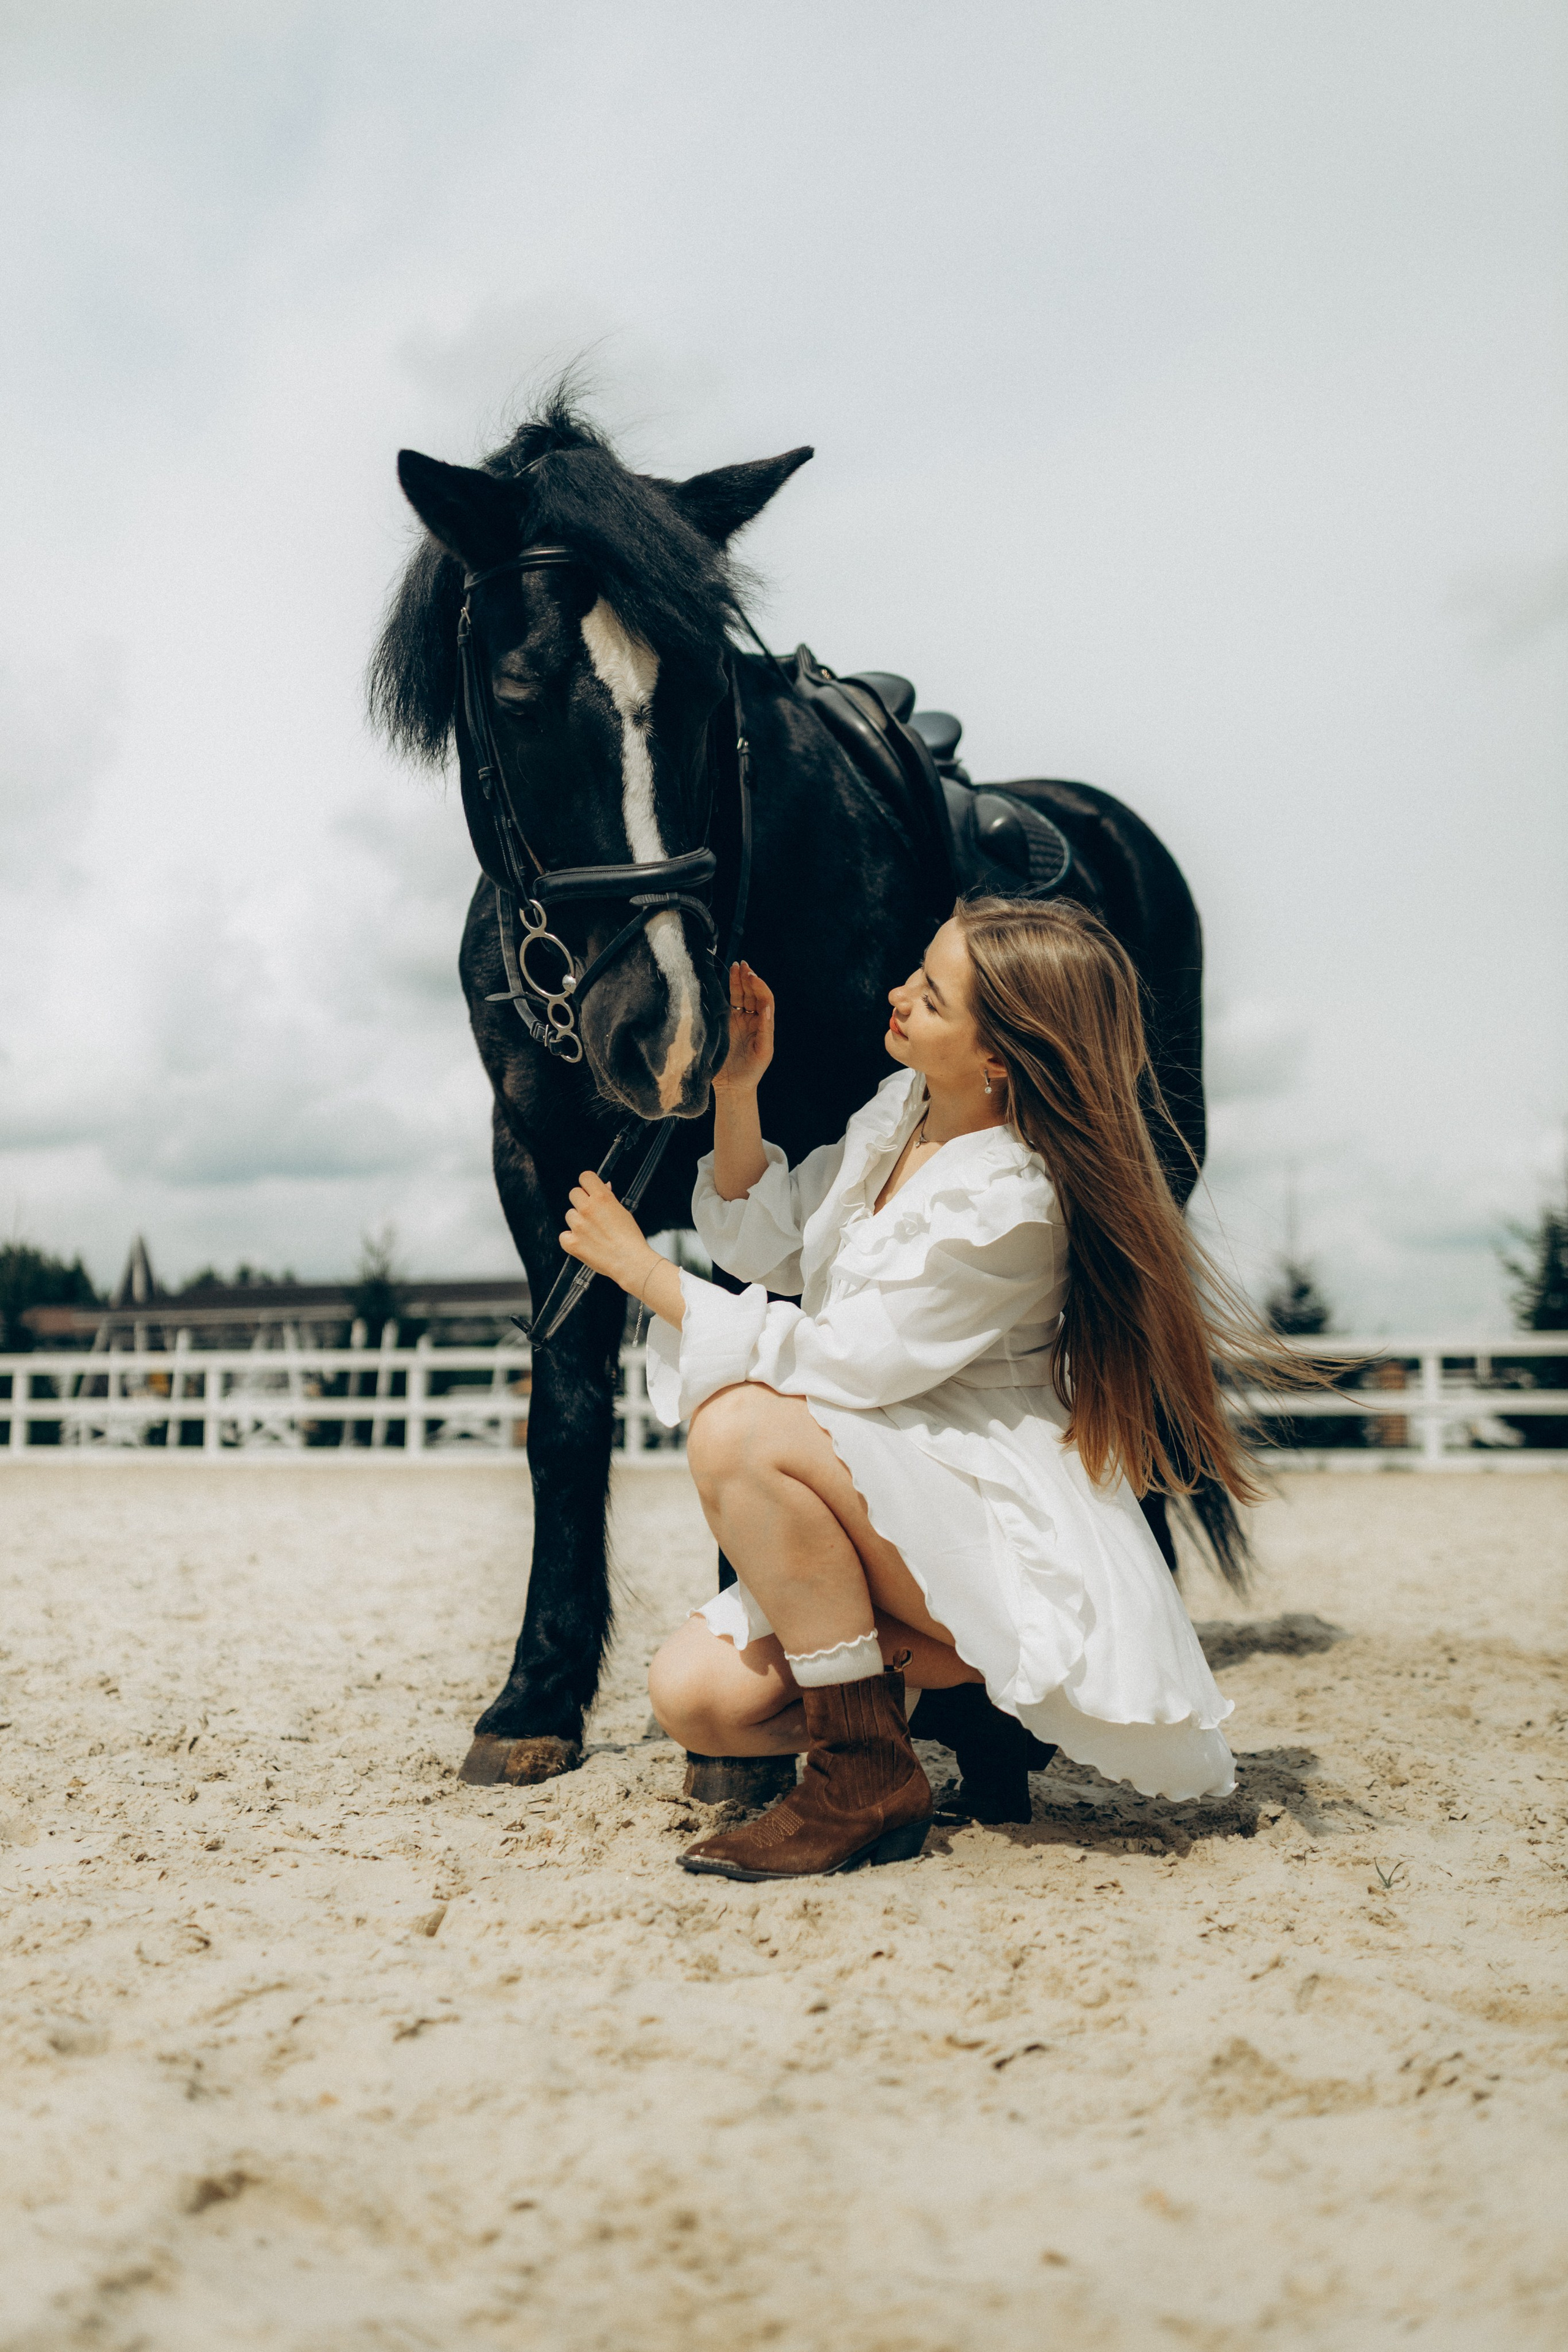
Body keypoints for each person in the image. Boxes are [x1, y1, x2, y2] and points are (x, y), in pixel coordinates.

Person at [559, 896, 1291, 1883]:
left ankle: (862, 1774)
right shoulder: (901, 1114)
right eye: (918, 973)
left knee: (735, 1429)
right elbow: (765, 1240)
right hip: (889, 1479)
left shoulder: (1015, 1200)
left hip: (984, 1506)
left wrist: (641, 1271)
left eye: (932, 997)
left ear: (997, 1058)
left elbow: (847, 1361)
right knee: (697, 1700)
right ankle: (956, 1687)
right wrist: (741, 1089)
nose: (899, 996)